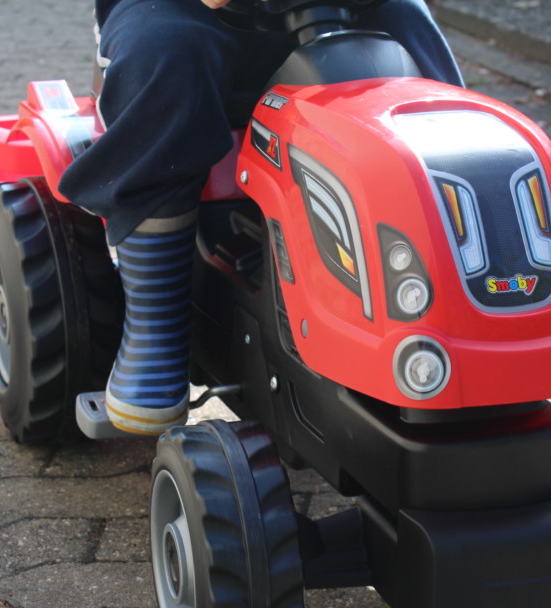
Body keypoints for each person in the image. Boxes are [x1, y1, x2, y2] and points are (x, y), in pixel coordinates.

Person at [58, 0, 464, 436]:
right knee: (167, 51)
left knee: (410, 36)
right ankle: (156, 325)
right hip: (184, 11)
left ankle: (459, 264)